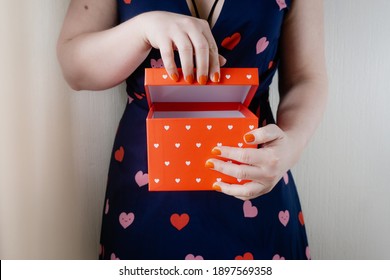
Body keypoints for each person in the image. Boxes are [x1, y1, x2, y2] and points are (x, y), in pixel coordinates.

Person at [57, 0, 327, 260]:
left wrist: (291, 145)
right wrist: (142, 30)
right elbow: (74, 68)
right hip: (146, 187)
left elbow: (305, 77)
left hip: (256, 181)